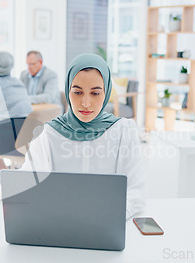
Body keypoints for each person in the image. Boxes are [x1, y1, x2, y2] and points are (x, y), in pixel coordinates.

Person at [20, 53, 145, 219]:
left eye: (95, 93)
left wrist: (111, 215)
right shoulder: (47, 134)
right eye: (78, 92)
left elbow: (135, 191)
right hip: (58, 224)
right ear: (68, 91)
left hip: (107, 223)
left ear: (106, 92)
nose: (86, 103)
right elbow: (28, 186)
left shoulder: (123, 131)